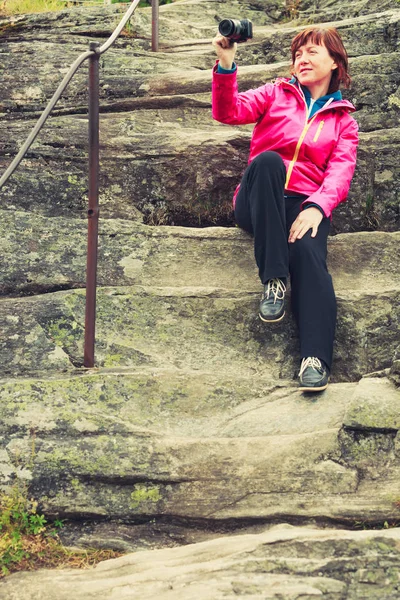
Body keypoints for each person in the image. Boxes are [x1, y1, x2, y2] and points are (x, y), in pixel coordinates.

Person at [212, 26, 359, 392]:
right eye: (297, 54)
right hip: (260, 198)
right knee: (266, 162)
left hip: (303, 204)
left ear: (335, 62)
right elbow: (228, 112)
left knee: (309, 254)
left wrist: (317, 207)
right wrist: (226, 63)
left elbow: (340, 174)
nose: (302, 60)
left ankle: (315, 359)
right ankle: (274, 280)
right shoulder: (276, 93)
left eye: (311, 52)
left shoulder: (344, 122)